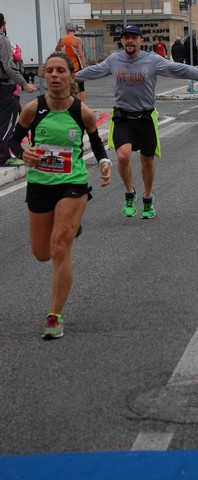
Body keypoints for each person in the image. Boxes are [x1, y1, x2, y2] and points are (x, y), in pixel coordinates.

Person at [75, 25, 198, 218]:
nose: (130, 41)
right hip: (123, 117)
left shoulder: (152, 60)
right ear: (122, 41)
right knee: (122, 156)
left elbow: (180, 69)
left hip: (145, 117)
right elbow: (93, 71)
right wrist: (67, 77)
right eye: (126, 38)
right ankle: (129, 192)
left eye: (134, 37)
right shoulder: (114, 60)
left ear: (141, 40)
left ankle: (148, 197)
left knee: (147, 160)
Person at [9, 52, 111, 339]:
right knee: (41, 253)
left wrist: (104, 163)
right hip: (40, 183)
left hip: (73, 183)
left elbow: (95, 141)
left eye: (60, 71)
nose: (54, 75)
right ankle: (71, 227)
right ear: (45, 76)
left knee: (58, 249)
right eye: (50, 71)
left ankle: (54, 315)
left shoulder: (82, 111)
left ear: (70, 76)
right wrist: (22, 152)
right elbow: (15, 140)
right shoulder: (33, 109)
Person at [0, 12, 37, 167]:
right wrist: (24, 83)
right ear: (4, 23)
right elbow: (8, 66)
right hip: (4, 87)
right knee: (6, 121)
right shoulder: (3, 39)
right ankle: (3, 156)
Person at [55, 23, 87, 102]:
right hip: (76, 65)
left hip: (66, 66)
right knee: (81, 87)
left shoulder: (62, 39)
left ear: (66, 30)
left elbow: (57, 50)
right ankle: (82, 105)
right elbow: (81, 55)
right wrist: (85, 67)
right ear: (75, 30)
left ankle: (69, 103)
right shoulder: (77, 40)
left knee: (68, 85)